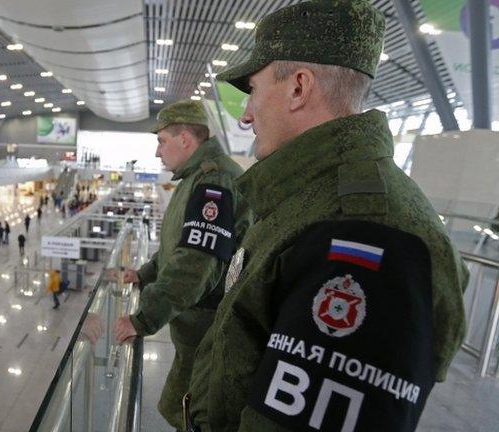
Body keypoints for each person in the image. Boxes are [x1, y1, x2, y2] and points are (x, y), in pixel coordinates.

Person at [184, 2, 468, 431]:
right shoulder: (310, 199)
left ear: (299, 88)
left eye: (254, 91)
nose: (246, 114)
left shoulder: (364, 230)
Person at [110, 99, 247, 429]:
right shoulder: (196, 179)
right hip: (195, 329)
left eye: (161, 140)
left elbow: (197, 261)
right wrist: (143, 275)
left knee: (193, 413)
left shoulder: (214, 183)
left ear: (185, 138)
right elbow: (180, 246)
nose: (158, 152)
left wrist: (144, 319)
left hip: (208, 334)